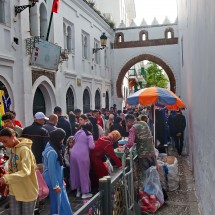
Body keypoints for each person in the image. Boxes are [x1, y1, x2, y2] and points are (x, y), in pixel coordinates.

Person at [0, 128, 38, 215]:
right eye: (2, 142)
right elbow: (13, 169)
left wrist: (6, 178)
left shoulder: (24, 150)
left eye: (5, 141)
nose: (4, 145)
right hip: (14, 191)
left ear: (13, 136)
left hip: (27, 190)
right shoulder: (13, 149)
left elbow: (26, 171)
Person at [42, 128, 73, 215]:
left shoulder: (50, 145)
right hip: (54, 179)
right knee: (61, 201)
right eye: (62, 138)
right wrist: (55, 185)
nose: (63, 140)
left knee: (55, 201)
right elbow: (52, 169)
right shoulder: (52, 152)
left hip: (55, 178)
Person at [125, 114, 156, 182]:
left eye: (126, 122)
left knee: (146, 176)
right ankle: (155, 190)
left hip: (143, 155)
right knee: (153, 174)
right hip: (152, 152)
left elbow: (130, 143)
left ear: (129, 121)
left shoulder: (133, 128)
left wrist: (124, 147)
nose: (126, 124)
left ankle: (148, 191)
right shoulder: (144, 123)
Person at [70, 122, 94, 199]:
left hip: (73, 153)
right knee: (84, 173)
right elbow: (91, 146)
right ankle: (85, 192)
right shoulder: (89, 135)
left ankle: (78, 191)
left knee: (75, 172)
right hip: (82, 155)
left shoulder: (78, 132)